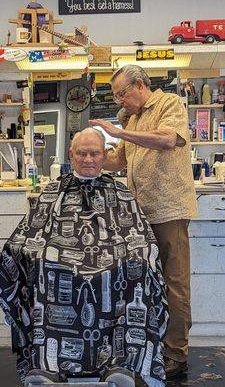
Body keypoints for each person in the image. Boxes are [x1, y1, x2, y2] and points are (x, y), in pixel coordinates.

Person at [0, 128, 168, 387]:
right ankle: (47, 364)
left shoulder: (119, 192)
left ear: (104, 156)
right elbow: (31, 233)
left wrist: (140, 255)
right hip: (61, 264)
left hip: (115, 263)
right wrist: (30, 254)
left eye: (94, 153)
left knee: (138, 267)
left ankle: (121, 364)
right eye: (82, 153)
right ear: (71, 154)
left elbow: (140, 236)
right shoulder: (54, 191)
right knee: (44, 268)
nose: (88, 159)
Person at [90, 65, 198, 378]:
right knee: (144, 284)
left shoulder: (168, 104)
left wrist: (120, 132)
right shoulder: (133, 118)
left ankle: (176, 354)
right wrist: (90, 154)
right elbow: (119, 160)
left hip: (168, 209)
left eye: (122, 93)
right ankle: (149, 345)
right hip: (140, 213)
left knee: (174, 283)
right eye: (115, 96)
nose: (119, 100)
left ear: (140, 85)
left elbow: (167, 140)